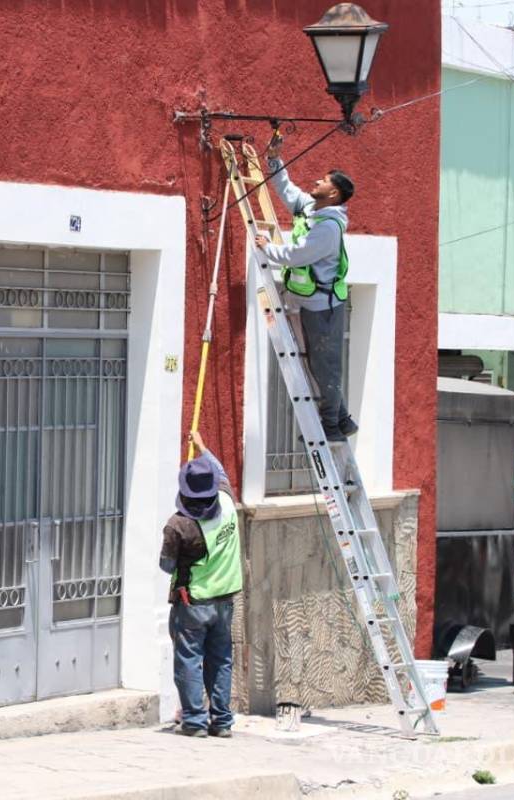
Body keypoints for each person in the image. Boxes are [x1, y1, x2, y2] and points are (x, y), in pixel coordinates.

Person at [254, 139, 357, 442]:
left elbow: (298, 255)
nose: (316, 182)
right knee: (319, 362)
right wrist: (275, 161)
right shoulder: (313, 210)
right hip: (313, 302)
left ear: (334, 193)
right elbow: (288, 191)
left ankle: (331, 427)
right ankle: (342, 419)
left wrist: (268, 248)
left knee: (325, 366)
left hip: (324, 307)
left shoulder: (328, 229)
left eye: (323, 181)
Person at [159, 430, 242, 738]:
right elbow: (220, 472)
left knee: (190, 660)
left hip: (192, 601)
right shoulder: (228, 501)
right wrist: (202, 446)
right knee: (221, 660)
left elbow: (166, 565)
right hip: (225, 599)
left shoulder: (178, 525)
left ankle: (194, 721)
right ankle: (222, 721)